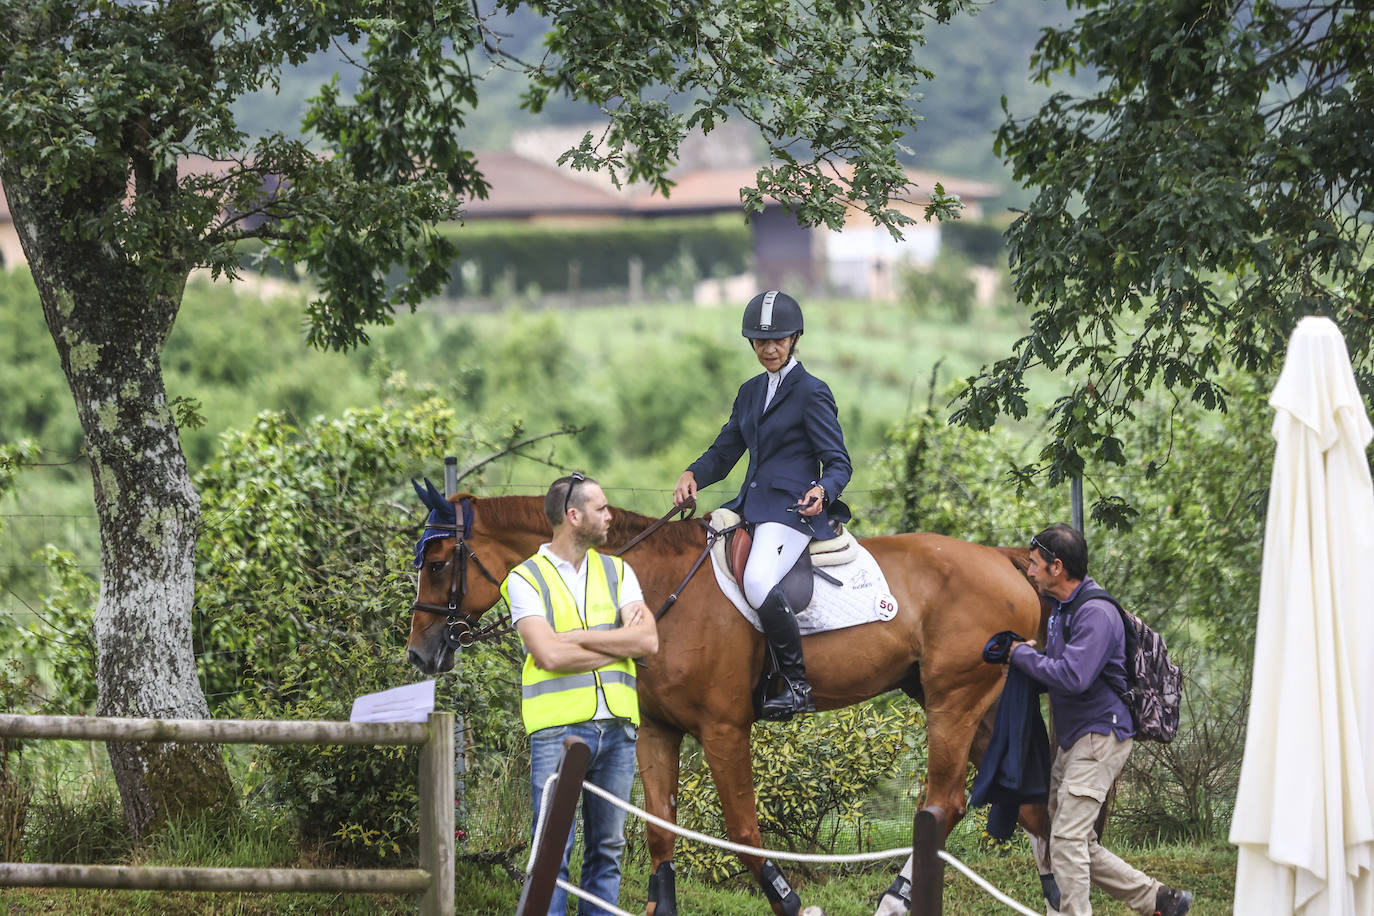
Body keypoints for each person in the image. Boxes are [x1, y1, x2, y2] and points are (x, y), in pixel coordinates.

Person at [672, 289, 851, 720]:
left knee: (756, 582)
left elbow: (839, 462)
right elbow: (726, 449)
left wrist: (823, 491)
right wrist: (693, 473)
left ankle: (797, 684)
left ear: (795, 339)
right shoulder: (750, 392)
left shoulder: (812, 391)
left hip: (791, 511)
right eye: (760, 341)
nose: (769, 349)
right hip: (749, 506)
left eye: (778, 340)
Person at [1009, 523, 1192, 916]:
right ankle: (1157, 900)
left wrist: (1019, 655)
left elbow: (1073, 677)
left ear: (1057, 567)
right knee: (1071, 840)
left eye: (1035, 564)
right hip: (1078, 739)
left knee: (1069, 838)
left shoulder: (1095, 613)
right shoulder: (1062, 609)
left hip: (1100, 738)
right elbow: (1063, 669)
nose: (1030, 571)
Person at [501, 473, 659, 916]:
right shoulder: (524, 578)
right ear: (574, 516)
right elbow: (548, 654)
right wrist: (614, 645)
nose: (610, 515)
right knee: (552, 853)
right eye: (601, 508)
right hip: (557, 731)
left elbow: (647, 643)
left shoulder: (619, 571)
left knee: (608, 851)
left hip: (618, 730)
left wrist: (578, 639)